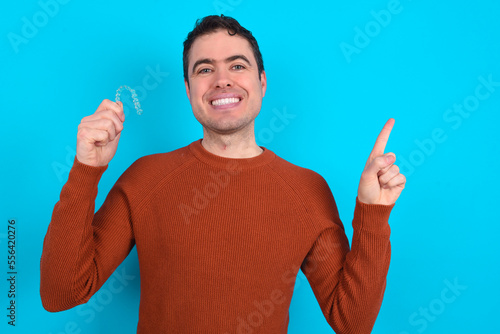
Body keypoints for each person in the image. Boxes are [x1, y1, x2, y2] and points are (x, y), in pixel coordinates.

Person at [40, 14, 406, 333]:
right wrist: (87, 169)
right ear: (188, 90)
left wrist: (373, 215)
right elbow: (62, 292)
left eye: (237, 65)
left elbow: (351, 323)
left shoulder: (307, 190)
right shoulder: (146, 178)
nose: (221, 80)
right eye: (204, 69)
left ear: (262, 83)